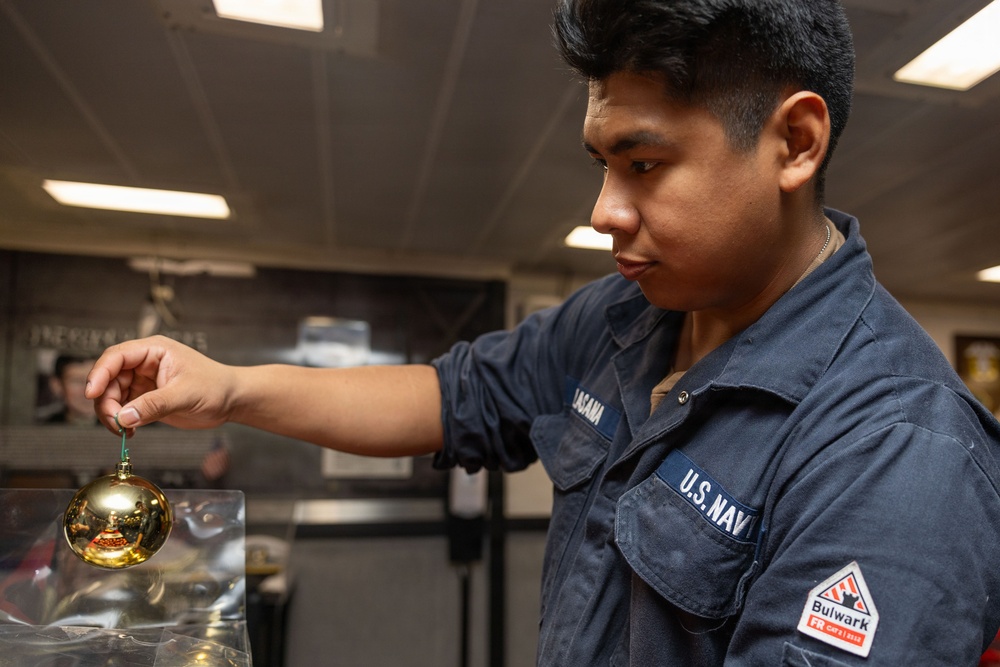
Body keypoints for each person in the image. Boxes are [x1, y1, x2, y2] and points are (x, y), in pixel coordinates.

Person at [85, 0, 1000, 663]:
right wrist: (232, 387)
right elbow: (452, 395)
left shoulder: (896, 447)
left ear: (795, 144)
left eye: (644, 163)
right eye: (604, 164)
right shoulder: (627, 317)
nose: (604, 210)